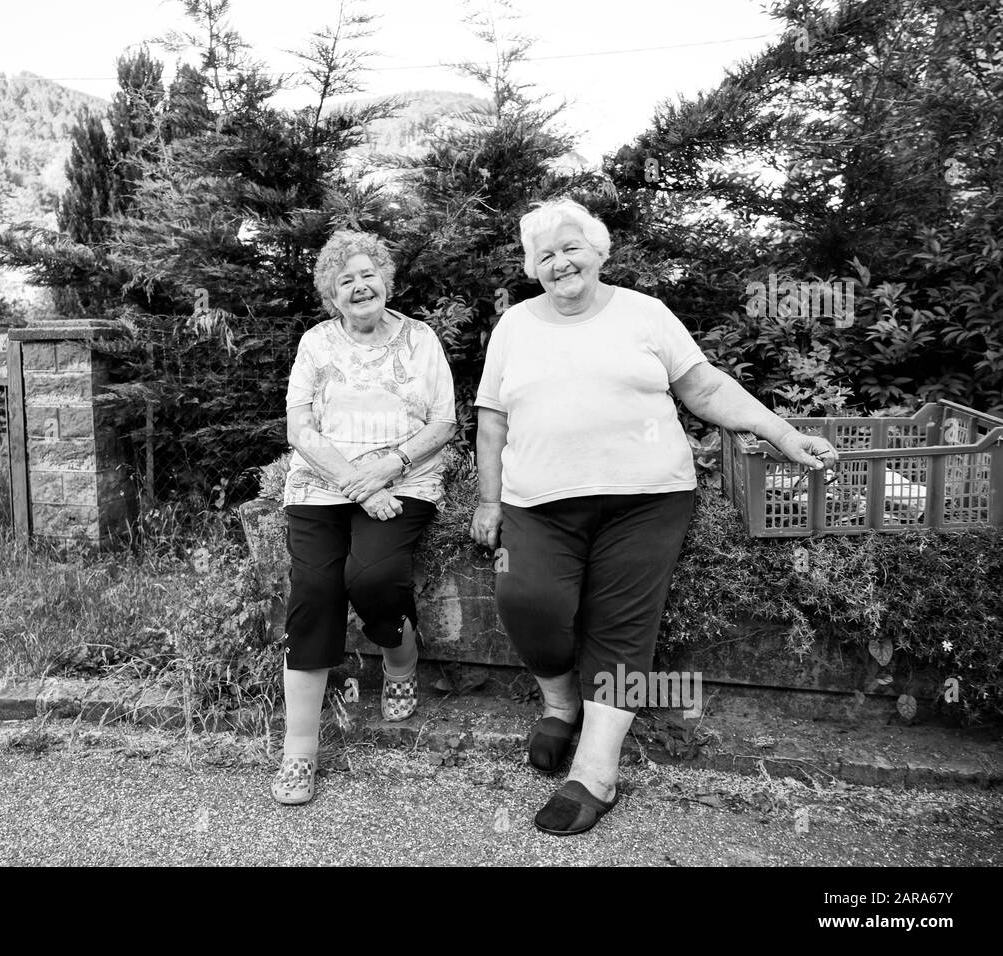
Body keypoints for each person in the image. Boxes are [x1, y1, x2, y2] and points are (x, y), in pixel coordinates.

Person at [469, 199, 838, 835]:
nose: (561, 263)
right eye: (545, 254)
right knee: (526, 599)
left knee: (623, 625)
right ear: (532, 267)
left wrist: (781, 433)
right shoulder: (515, 327)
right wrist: (489, 498)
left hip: (647, 499)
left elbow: (704, 387)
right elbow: (493, 418)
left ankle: (596, 770)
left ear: (598, 251)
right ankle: (559, 703)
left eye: (571, 247)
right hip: (539, 503)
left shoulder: (646, 313)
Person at [273, 229, 457, 805]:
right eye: (345, 280)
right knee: (314, 595)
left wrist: (386, 470)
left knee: (373, 577)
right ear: (332, 295)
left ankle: (401, 661)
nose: (359, 286)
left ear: (386, 280)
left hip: (404, 482)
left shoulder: (421, 339)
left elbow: (444, 423)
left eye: (367, 275)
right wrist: (356, 485)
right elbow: (299, 429)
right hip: (322, 487)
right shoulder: (316, 343)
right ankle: (298, 754)